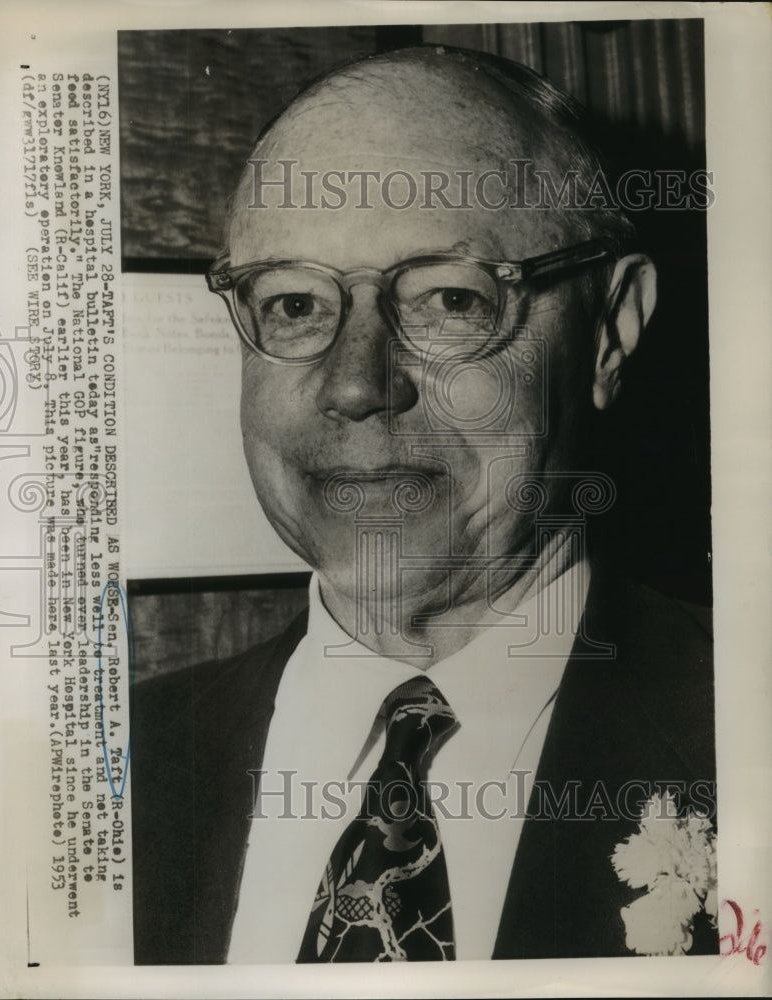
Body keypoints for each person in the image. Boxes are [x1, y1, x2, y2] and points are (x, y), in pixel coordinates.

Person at [130, 45, 716, 964]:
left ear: (609, 330)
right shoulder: (105, 771)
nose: (357, 384)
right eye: (292, 305)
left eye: (450, 298)